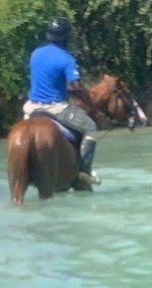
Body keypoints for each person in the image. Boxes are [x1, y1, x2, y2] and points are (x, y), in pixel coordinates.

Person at [22, 17, 100, 183]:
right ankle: (84, 172)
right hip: (55, 107)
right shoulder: (66, 58)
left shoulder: (35, 53)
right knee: (91, 127)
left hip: (31, 107)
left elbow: (46, 79)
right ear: (66, 37)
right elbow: (76, 87)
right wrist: (91, 104)